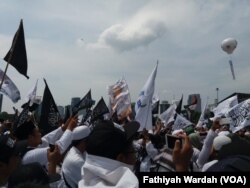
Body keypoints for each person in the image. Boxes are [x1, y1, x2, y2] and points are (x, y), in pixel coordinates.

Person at [78, 120, 140, 188]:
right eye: (133, 151)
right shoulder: (131, 185)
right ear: (121, 158)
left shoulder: (85, 182)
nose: (135, 158)